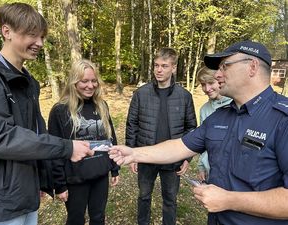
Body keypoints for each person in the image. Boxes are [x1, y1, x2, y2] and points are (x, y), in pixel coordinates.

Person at [109, 40, 288, 225]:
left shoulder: (282, 120)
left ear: (252, 67)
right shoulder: (219, 117)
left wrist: (229, 200)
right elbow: (180, 146)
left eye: (224, 67)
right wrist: (134, 153)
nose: (218, 75)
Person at [0, 3, 93, 225]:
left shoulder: (29, 82)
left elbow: (34, 132)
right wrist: (66, 147)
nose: (39, 43)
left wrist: (41, 181)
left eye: (42, 37)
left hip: (26, 194)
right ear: (6, 32)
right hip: (0, 202)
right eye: (31, 35)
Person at [126, 47, 197, 225]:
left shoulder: (185, 96)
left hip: (173, 159)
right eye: (156, 65)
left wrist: (187, 157)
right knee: (143, 196)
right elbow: (132, 125)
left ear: (173, 68)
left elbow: (191, 128)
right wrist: (132, 154)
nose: (159, 70)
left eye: (164, 66)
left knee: (170, 199)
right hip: (146, 156)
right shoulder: (141, 94)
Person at [48, 59, 120, 225]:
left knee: (98, 218)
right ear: (74, 82)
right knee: (75, 220)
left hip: (100, 174)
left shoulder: (101, 105)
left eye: (94, 80)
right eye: (84, 81)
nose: (90, 85)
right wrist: (59, 184)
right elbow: (55, 149)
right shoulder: (60, 110)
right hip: (75, 178)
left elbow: (110, 138)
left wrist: (114, 168)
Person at [196, 67, 232, 182]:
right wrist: (202, 166)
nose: (207, 88)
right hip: (210, 171)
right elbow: (204, 142)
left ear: (220, 81)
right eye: (203, 84)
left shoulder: (236, 105)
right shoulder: (204, 110)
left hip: (231, 174)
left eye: (211, 83)